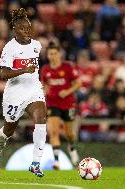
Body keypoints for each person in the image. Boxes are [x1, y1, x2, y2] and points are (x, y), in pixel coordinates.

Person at [0, 8, 47, 177]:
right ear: (15, 30)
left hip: (33, 90)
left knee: (41, 118)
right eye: (22, 28)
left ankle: (36, 163)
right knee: (8, 130)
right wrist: (24, 69)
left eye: (29, 27)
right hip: (15, 93)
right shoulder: (9, 48)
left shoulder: (37, 45)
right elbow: (4, 73)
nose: (27, 31)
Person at [41, 42, 81, 170]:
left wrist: (67, 91)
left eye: (54, 53)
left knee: (69, 133)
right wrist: (43, 92)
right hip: (52, 103)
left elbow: (78, 83)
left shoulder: (67, 67)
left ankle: (72, 147)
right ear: (48, 55)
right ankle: (56, 161)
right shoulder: (45, 69)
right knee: (53, 131)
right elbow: (43, 85)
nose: (52, 56)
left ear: (59, 54)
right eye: (50, 54)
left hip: (68, 103)